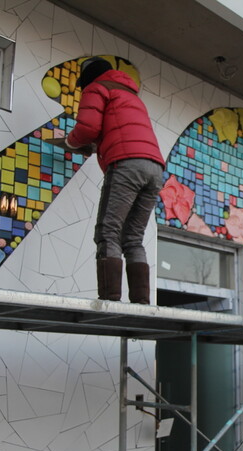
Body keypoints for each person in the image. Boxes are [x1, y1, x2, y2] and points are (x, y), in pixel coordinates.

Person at [65, 56, 165, 303]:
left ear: (87, 79)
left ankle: (109, 300)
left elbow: (87, 127)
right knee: (133, 238)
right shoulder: (132, 96)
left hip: (126, 163)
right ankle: (140, 302)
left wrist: (70, 142)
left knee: (108, 231)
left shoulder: (96, 88)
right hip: (154, 168)